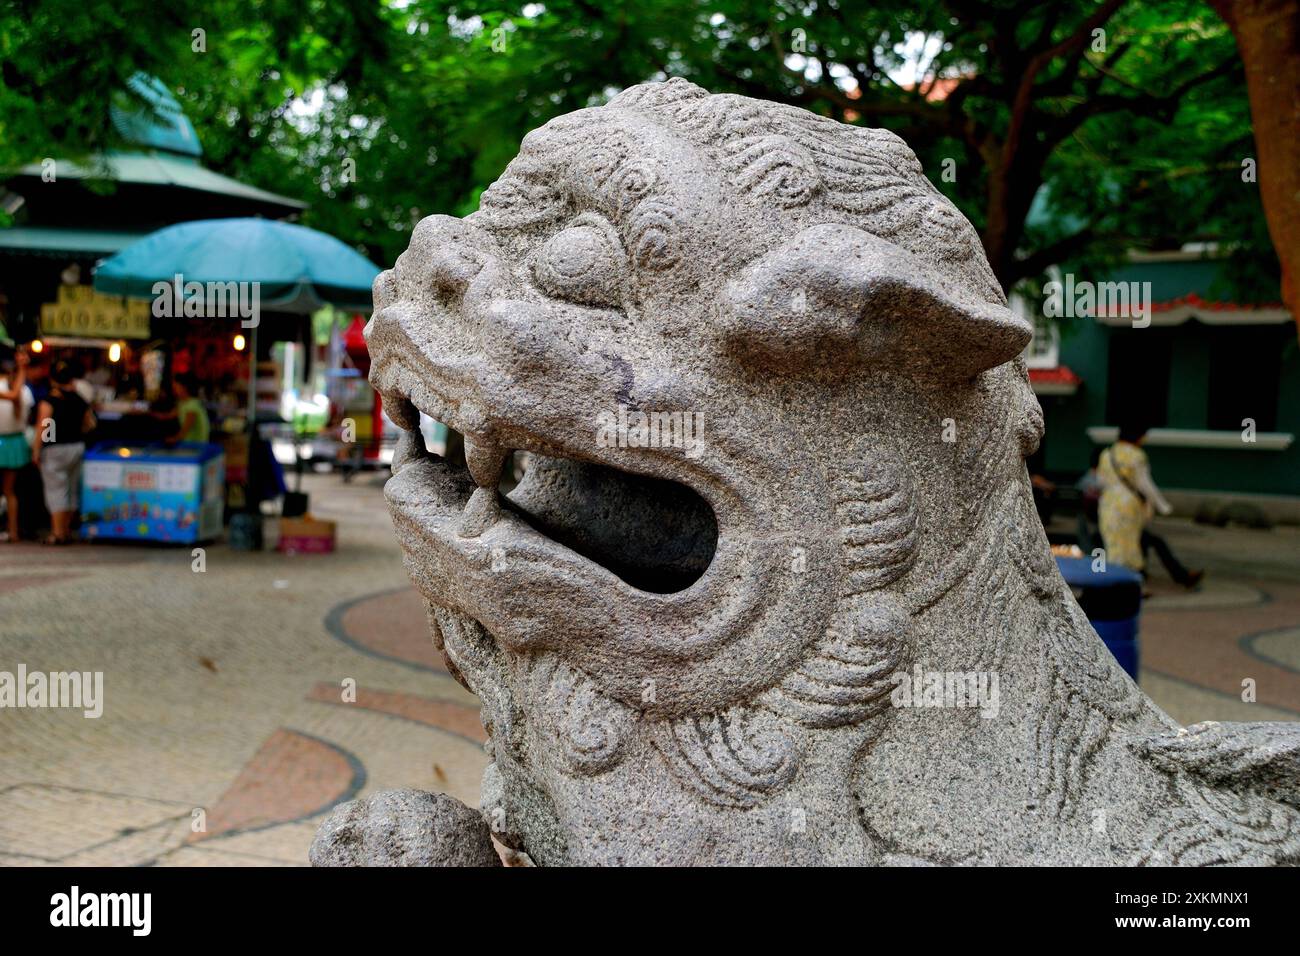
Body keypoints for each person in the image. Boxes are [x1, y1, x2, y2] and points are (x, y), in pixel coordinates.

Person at [1097, 421, 1203, 589]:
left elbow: (1101, 481)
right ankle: (1129, 585)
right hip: (1128, 505)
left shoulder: (1106, 454)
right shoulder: (1136, 455)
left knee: (1114, 545)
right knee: (1130, 545)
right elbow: (1145, 484)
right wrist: (1162, 506)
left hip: (1108, 504)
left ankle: (1118, 582)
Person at [33, 360, 94, 545]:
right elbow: (89, 424)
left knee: (56, 490)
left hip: (56, 450)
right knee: (71, 489)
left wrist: (38, 449)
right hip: (76, 447)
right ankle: (66, 530)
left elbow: (45, 427)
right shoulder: (79, 399)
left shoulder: (50, 401)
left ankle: (57, 533)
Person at [0, 347, 33, 542]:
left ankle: (11, 531)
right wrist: (22, 369)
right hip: (15, 441)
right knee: (10, 490)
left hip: (4, 440)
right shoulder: (24, 390)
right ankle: (13, 531)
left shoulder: (11, 389)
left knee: (8, 491)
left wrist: (22, 368)